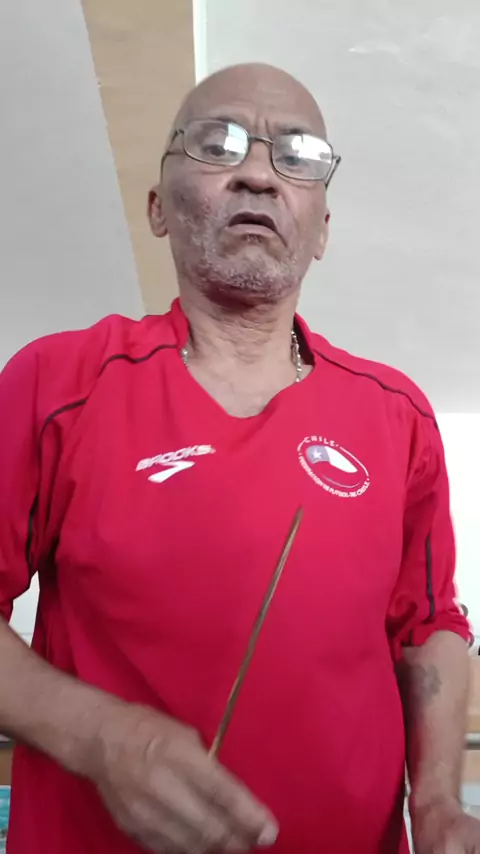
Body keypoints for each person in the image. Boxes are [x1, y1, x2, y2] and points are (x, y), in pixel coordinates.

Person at [0, 62, 477, 854]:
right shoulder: (57, 383)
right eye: (217, 145)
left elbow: (427, 628)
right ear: (159, 208)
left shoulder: (397, 414)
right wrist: (100, 735)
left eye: (297, 154)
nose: (258, 173)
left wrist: (434, 802)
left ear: (322, 229)